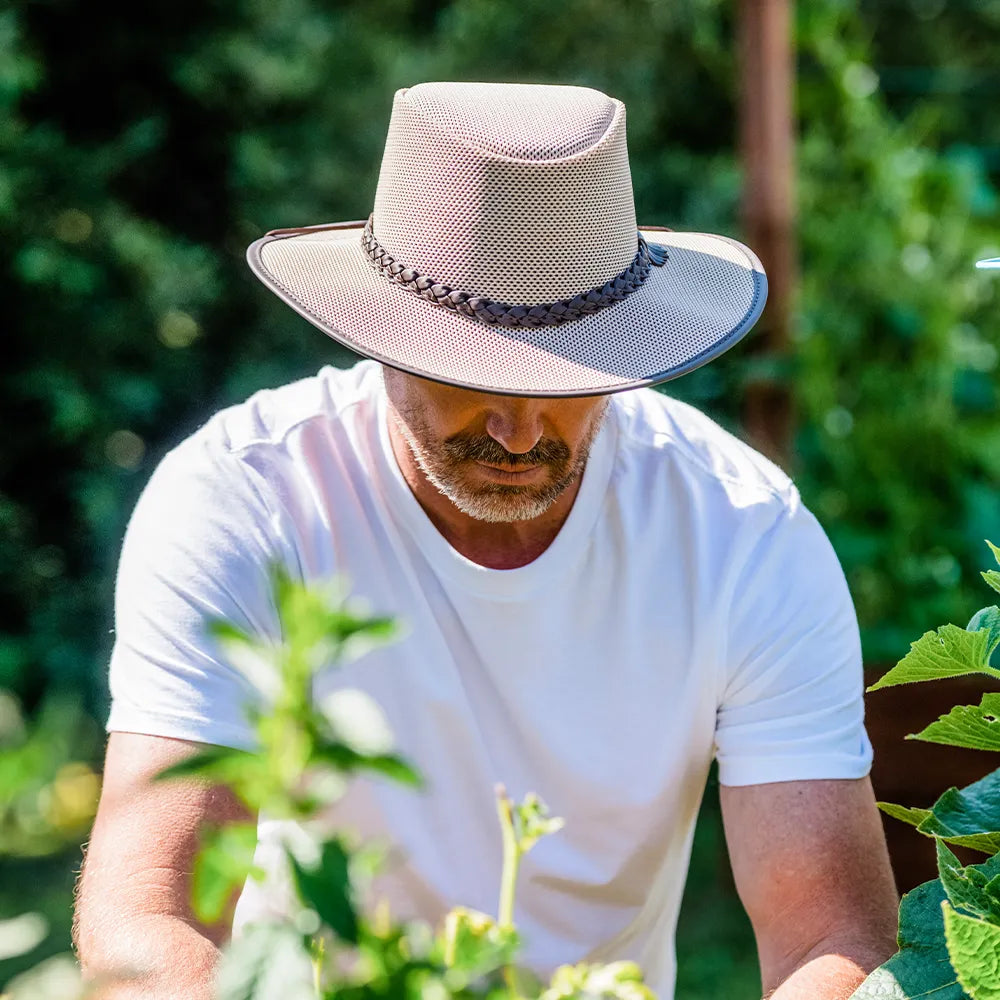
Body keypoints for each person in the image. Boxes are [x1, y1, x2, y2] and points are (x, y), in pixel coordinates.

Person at [72, 82, 899, 1000]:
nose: (518, 428)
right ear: (382, 335)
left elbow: (830, 933)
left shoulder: (742, 532)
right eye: (470, 374)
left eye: (571, 373)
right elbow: (148, 917)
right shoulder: (244, 502)